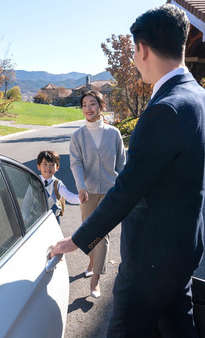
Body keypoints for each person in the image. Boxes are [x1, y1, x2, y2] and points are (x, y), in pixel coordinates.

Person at [51, 3, 205, 337]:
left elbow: (127, 190)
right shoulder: (201, 99)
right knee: (180, 328)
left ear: (142, 49)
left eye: (133, 52)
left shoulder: (164, 110)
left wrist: (77, 239)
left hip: (149, 265)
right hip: (183, 251)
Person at [69, 90, 126, 298]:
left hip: (110, 193)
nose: (88, 108)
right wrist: (81, 187)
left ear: (101, 106)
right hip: (87, 193)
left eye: (92, 104)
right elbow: (75, 163)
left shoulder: (113, 133)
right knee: (88, 231)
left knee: (101, 234)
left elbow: (122, 163)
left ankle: (95, 281)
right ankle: (92, 261)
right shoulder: (78, 136)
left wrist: (120, 188)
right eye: (84, 104)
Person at [36, 150, 80, 224]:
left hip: (53, 219)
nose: (48, 168)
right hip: (37, 220)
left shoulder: (57, 184)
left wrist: (80, 198)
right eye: (45, 164)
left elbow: (69, 196)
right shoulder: (35, 181)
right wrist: (25, 218)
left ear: (57, 167)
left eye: (52, 164)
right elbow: (27, 201)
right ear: (38, 166)